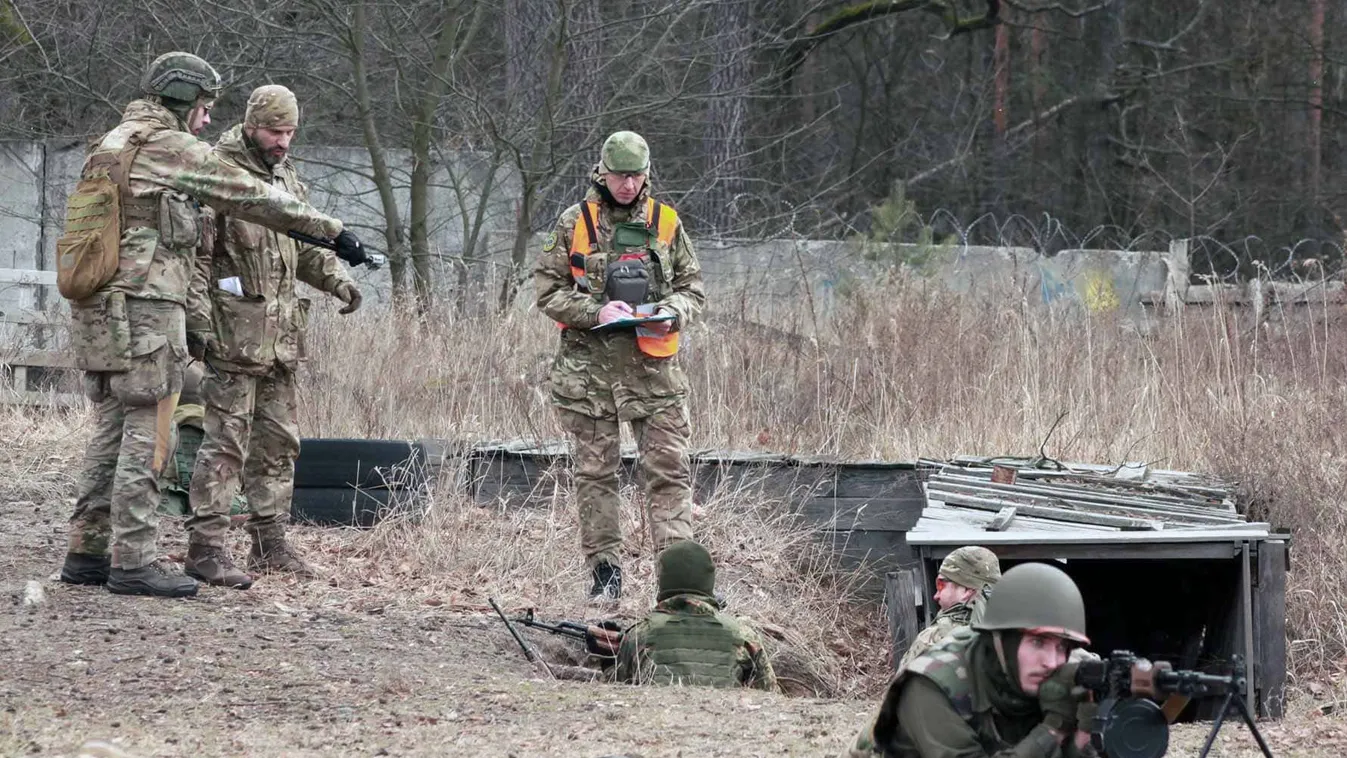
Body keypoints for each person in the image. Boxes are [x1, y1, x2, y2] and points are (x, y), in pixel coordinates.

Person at [57, 52, 370, 598]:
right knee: (148, 430)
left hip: (100, 307)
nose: (205, 120)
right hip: (145, 308)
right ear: (183, 101)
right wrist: (332, 229)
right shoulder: (167, 145)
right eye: (203, 108)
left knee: (110, 427)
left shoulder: (112, 143)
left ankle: (86, 551)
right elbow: (245, 193)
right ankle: (133, 560)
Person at [181, 84, 363, 588]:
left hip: (282, 339)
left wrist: (338, 280)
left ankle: (270, 541)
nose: (283, 141)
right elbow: (196, 259)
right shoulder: (217, 173)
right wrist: (198, 325)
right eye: (274, 131)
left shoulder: (286, 177)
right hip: (232, 338)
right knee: (224, 445)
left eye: (290, 133)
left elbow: (302, 247)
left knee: (279, 444)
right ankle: (207, 547)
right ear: (250, 124)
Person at [533, 131, 706, 602]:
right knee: (596, 475)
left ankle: (680, 583)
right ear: (602, 173)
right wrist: (595, 312)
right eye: (619, 175)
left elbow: (693, 288)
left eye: (636, 175)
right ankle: (605, 574)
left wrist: (672, 308)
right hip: (590, 376)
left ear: (647, 174)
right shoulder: (574, 223)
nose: (627, 184)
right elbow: (546, 292)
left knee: (670, 474)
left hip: (655, 375)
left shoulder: (666, 222)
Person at [847, 562, 1099, 758]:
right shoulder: (934, 684)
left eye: (1063, 647)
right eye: (1037, 642)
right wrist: (1053, 729)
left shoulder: (1050, 671)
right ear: (1002, 639)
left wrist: (1084, 732)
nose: (1052, 662)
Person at [613, 541, 777, 691]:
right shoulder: (743, 635)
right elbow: (769, 695)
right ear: (708, 580)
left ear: (663, 580)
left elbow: (619, 690)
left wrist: (606, 664)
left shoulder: (639, 634)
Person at [897, 545, 1001, 670]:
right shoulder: (1019, 635)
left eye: (941, 585)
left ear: (967, 590)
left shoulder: (933, 639)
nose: (936, 596)